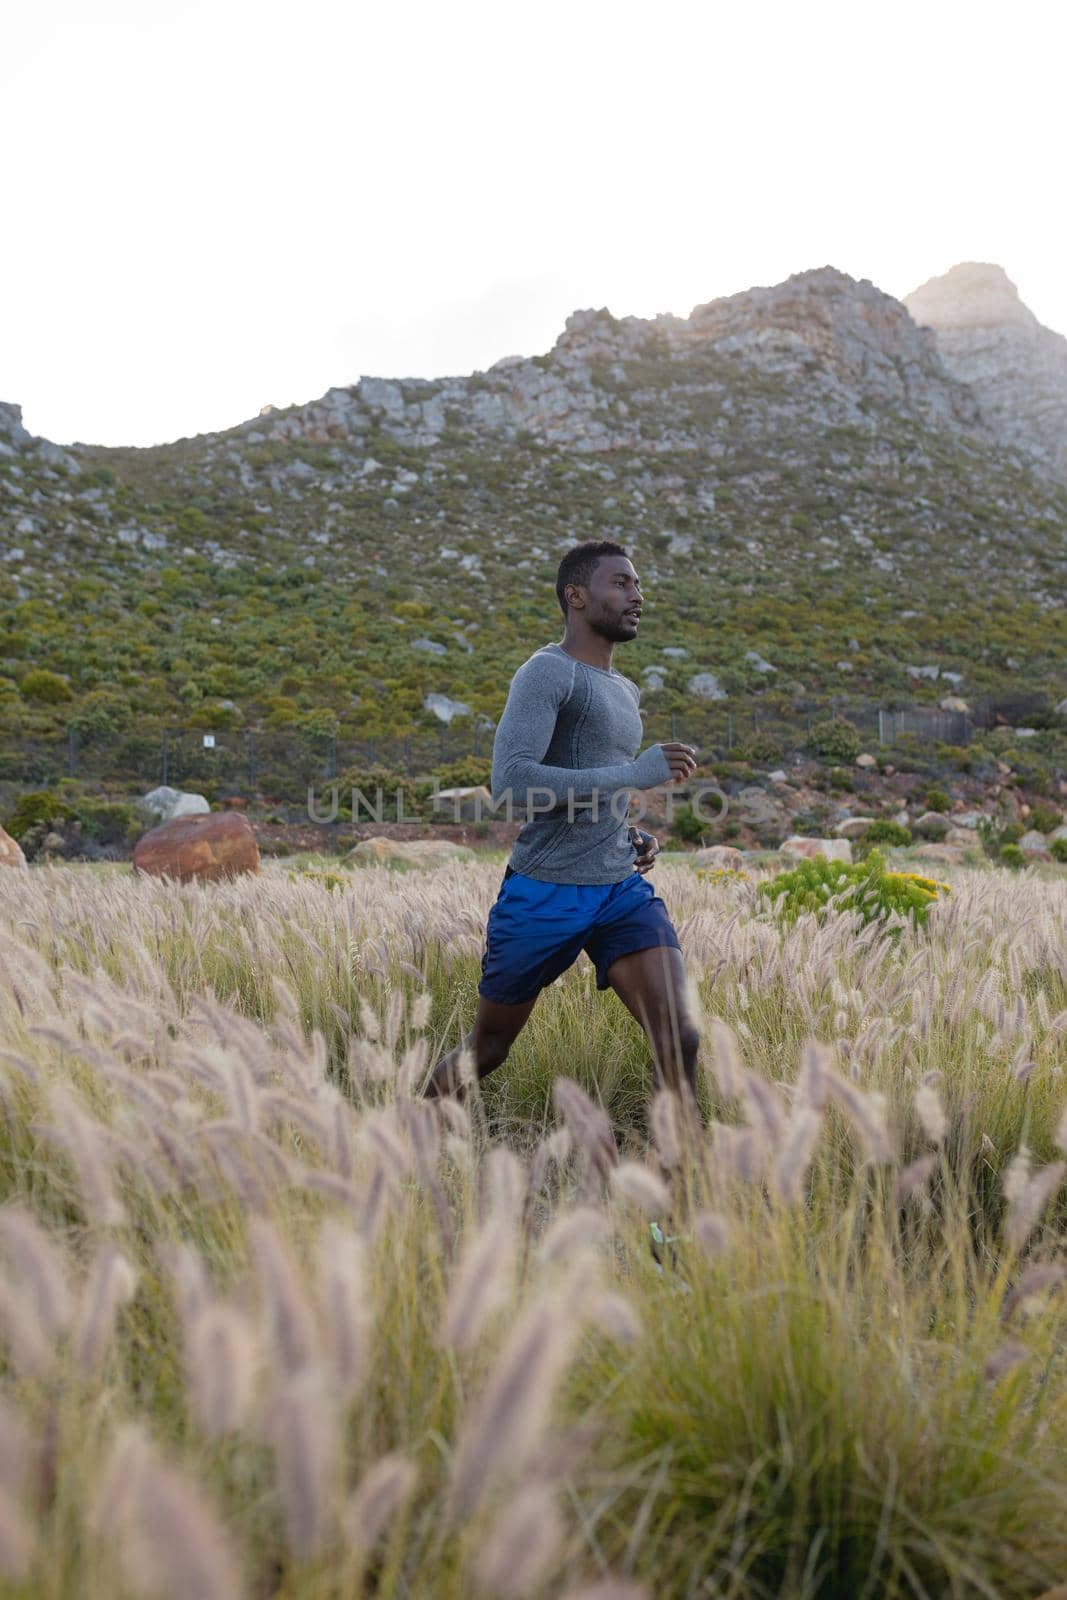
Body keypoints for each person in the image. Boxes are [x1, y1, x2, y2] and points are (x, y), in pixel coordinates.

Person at [423, 539, 703, 1121]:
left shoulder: (625, 690)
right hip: (545, 892)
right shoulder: (546, 673)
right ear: (577, 596)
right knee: (489, 1049)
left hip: (618, 889)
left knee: (680, 1036)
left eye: (637, 584)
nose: (637, 594)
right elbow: (514, 785)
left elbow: (592, 788)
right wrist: (635, 773)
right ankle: (406, 1141)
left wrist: (626, 832)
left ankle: (674, 1192)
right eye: (620, 583)